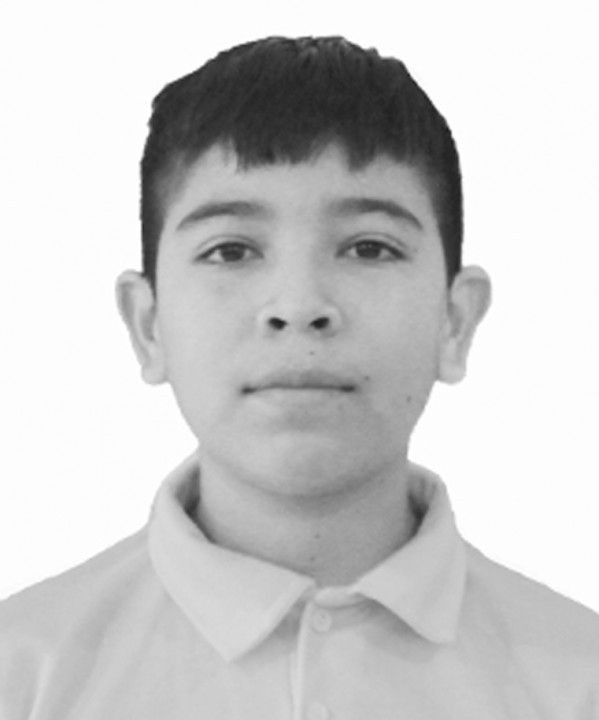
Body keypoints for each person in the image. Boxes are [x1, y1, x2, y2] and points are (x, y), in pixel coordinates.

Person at [0, 35, 597, 719]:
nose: (299, 304)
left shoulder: (579, 682)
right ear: (149, 324)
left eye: (369, 247)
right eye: (230, 251)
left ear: (453, 322)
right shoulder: (22, 675)